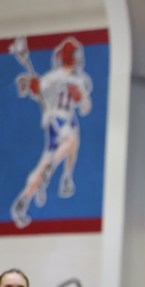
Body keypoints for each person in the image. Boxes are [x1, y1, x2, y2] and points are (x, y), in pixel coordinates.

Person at [9, 37, 92, 229]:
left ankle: (23, 201)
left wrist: (80, 98)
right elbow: (35, 89)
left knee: (61, 150)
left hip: (64, 121)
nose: (78, 58)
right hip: (57, 120)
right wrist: (32, 85)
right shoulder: (55, 77)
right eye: (75, 55)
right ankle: (57, 171)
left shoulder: (79, 80)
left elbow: (85, 107)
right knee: (72, 138)